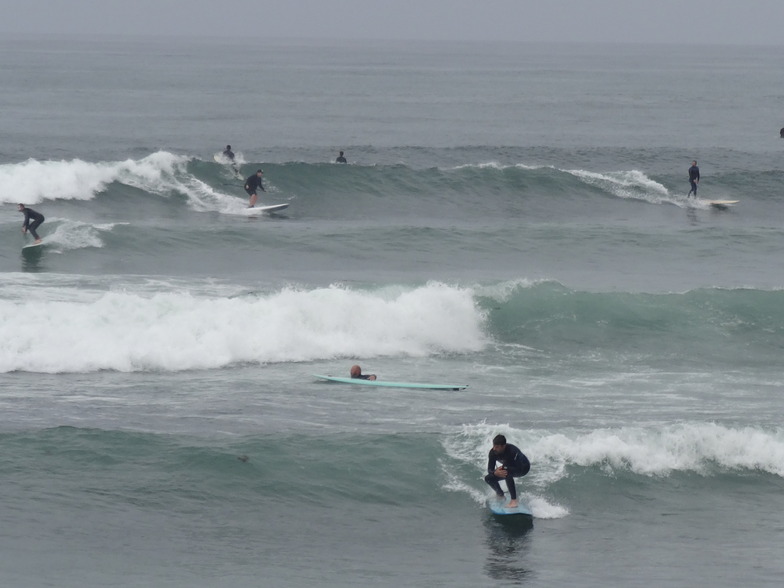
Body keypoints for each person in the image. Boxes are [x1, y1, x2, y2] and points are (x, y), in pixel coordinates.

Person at [484, 434, 530, 508]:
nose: (494, 448)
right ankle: (500, 494)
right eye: (494, 446)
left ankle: (514, 501)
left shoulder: (512, 451)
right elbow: (490, 469)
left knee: (506, 471)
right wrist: (494, 472)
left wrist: (501, 470)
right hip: (509, 467)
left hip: (523, 468)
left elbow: (509, 466)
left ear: (503, 446)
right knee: (488, 478)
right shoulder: (493, 452)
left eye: (497, 447)